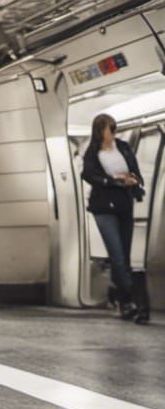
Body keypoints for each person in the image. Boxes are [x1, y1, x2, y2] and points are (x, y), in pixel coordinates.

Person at [81, 113, 146, 323]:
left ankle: (121, 296)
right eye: (110, 130)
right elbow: (88, 174)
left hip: (124, 204)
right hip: (103, 207)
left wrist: (133, 180)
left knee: (124, 255)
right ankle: (130, 299)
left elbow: (135, 169)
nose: (113, 134)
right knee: (116, 254)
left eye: (114, 129)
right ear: (100, 131)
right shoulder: (93, 152)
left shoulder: (124, 147)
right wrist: (112, 180)